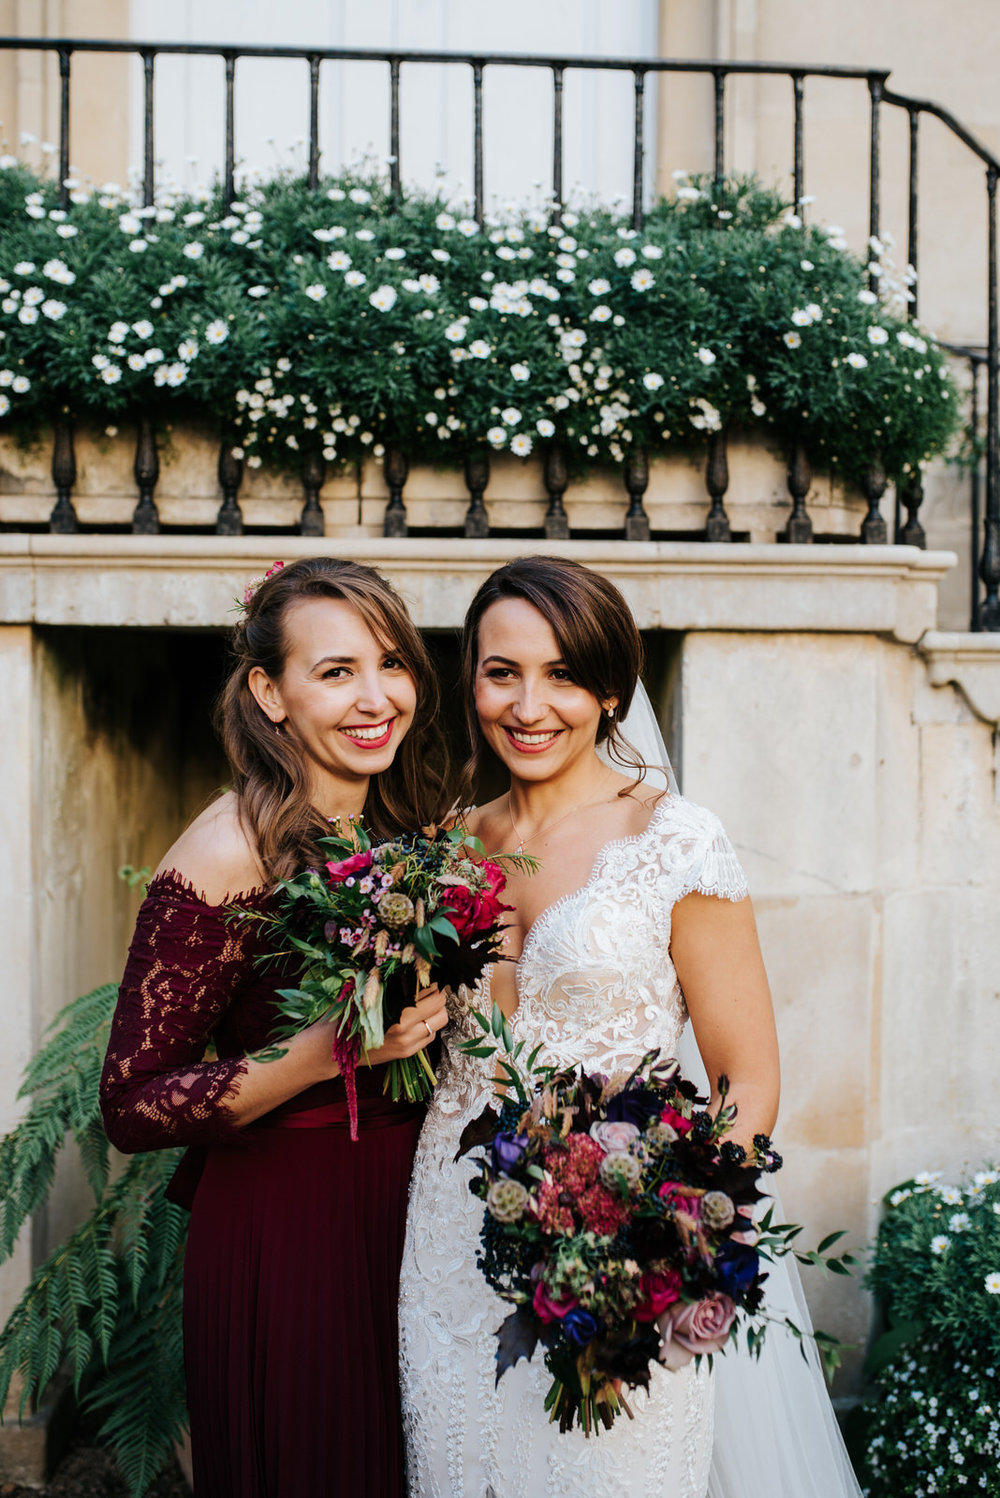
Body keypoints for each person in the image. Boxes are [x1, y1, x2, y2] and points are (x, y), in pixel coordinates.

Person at [399, 555, 863, 1498]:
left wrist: (669, 1243)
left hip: (610, 1253)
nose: (530, 705)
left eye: (564, 674)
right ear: (472, 679)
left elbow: (748, 1079)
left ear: (612, 689)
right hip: (446, 1242)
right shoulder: (444, 845)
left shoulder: (675, 841)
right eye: (503, 672)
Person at [100, 556, 450, 1498]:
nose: (376, 697)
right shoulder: (226, 851)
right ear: (270, 692)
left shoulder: (400, 831)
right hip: (285, 1222)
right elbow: (131, 1104)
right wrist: (325, 1051)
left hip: (407, 1212)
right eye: (335, 672)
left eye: (392, 663)